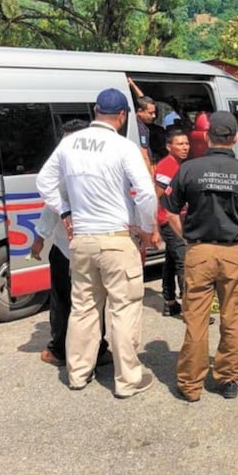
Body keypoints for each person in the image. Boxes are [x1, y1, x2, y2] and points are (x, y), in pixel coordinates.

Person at [36, 88, 158, 398]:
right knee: (124, 309)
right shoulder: (124, 147)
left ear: (95, 111)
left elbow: (44, 181)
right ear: (122, 116)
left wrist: (65, 210)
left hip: (82, 240)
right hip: (116, 239)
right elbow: (145, 193)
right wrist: (146, 229)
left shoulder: (69, 144)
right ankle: (127, 380)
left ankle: (77, 374)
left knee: (83, 308)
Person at [162, 111, 238, 402]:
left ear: (207, 137)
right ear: (234, 138)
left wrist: (186, 239)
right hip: (235, 252)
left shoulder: (189, 169)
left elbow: (170, 212)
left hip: (199, 251)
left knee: (195, 318)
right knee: (232, 317)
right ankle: (229, 379)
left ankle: (190, 385)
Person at [31, 119, 113, 368]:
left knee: (65, 301)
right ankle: (98, 349)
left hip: (69, 250)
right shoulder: (101, 169)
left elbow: (51, 208)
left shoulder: (64, 174)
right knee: (94, 300)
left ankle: (61, 350)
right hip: (97, 245)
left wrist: (38, 239)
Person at [154, 128, 190, 317]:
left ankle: (170, 302)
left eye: (186, 143)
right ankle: (190, 309)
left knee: (170, 260)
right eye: (180, 144)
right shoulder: (167, 166)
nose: (185, 147)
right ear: (169, 147)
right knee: (184, 262)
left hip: (173, 218)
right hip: (168, 220)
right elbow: (155, 196)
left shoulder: (178, 165)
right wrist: (155, 226)